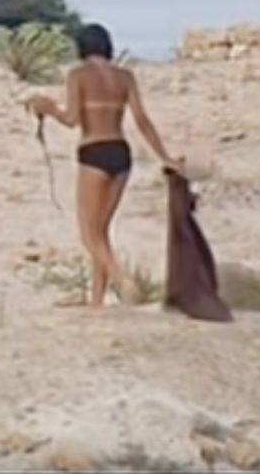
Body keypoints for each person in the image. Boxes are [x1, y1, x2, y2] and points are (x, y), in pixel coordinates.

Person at [26, 23, 182, 308]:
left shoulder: (78, 75)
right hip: (121, 153)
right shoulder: (124, 77)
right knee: (101, 231)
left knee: (89, 233)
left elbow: (72, 119)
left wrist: (48, 109)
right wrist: (165, 157)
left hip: (93, 151)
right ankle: (96, 300)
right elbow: (142, 120)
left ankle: (123, 281)